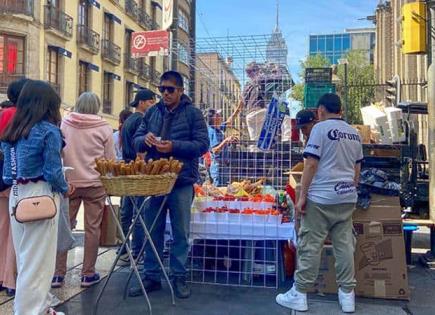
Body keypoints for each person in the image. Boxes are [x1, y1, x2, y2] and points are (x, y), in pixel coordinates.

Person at [276, 94, 363, 313]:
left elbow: (311, 164)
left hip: (321, 198)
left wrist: (302, 196)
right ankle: (347, 296)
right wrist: (350, 187)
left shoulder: (320, 129)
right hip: (346, 197)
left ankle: (300, 293)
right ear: (340, 109)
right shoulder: (354, 133)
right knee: (344, 245)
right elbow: (357, 169)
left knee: (310, 245)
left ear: (321, 110)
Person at [130, 71, 209, 299]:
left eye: (170, 89)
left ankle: (179, 276)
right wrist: (143, 141)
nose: (165, 93)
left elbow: (202, 145)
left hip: (182, 181)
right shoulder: (152, 112)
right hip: (155, 181)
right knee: (152, 229)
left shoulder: (193, 114)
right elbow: (136, 139)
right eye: (162, 89)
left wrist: (173, 146)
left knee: (180, 232)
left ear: (181, 90)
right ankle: (152, 276)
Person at [1, 80, 71, 315]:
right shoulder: (49, 131)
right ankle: (33, 311)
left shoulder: (12, 130)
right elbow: (53, 171)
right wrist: (65, 187)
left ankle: (35, 308)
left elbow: (7, 174)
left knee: (25, 257)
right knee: (39, 260)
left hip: (17, 196)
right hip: (41, 196)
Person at [53, 92, 115, 289]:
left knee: (64, 226)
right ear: (96, 106)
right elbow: (110, 159)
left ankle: (57, 274)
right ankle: (87, 274)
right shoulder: (104, 127)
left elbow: (60, 151)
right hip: (95, 184)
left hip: (69, 183)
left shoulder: (65, 124)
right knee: (92, 228)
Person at [118, 88, 156, 265]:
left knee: (126, 211)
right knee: (139, 213)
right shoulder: (141, 120)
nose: (152, 105)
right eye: (150, 102)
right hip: (137, 168)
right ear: (141, 102)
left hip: (127, 167)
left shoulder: (129, 120)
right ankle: (137, 250)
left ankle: (123, 248)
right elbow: (140, 150)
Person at [0, 78, 28, 298]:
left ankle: (1, 277)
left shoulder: (3, 114)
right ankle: (11, 279)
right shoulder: (22, 116)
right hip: (16, 180)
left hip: (1, 178)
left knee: (1, 229)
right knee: (14, 232)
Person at [206, 100, 242, 186]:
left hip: (223, 167)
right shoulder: (212, 131)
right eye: (218, 115)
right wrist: (226, 140)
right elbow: (215, 150)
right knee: (218, 192)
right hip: (218, 168)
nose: (220, 116)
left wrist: (239, 107)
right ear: (213, 118)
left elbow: (229, 121)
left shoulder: (219, 129)